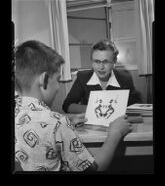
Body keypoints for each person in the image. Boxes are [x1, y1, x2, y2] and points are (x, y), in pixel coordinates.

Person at [15, 40, 132, 171]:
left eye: (106, 62)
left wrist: (67, 118)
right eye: (58, 80)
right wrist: (114, 134)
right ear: (44, 79)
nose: (59, 87)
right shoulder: (57, 123)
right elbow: (93, 170)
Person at [62, 39, 141, 114]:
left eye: (106, 62)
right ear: (91, 61)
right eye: (97, 61)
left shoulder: (125, 78)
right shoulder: (83, 77)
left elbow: (135, 105)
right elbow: (67, 105)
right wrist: (92, 109)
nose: (101, 67)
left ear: (114, 61)